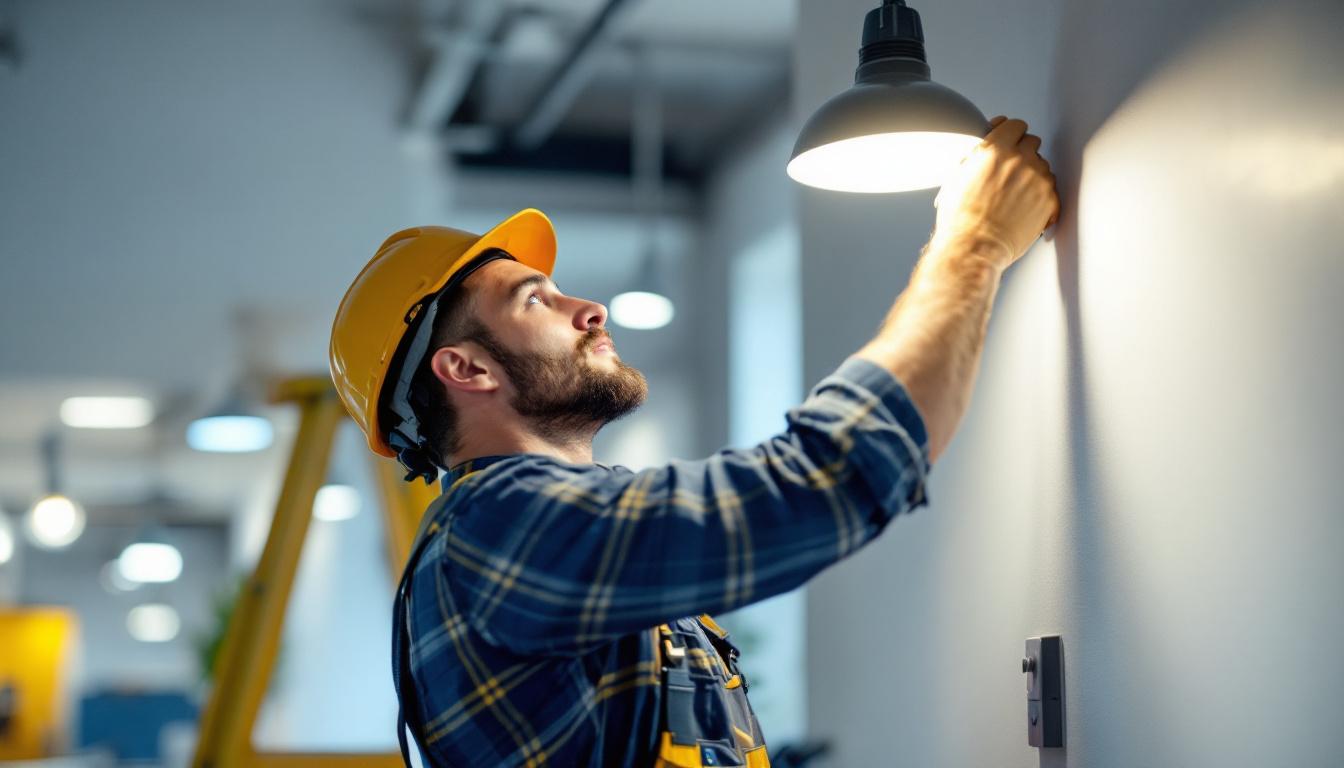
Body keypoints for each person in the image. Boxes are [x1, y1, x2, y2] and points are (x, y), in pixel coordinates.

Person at [328, 115, 1060, 767]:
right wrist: (975, 243)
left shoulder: (544, 526)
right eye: (536, 300)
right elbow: (827, 480)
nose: (589, 308)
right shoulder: (499, 528)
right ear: (466, 367)